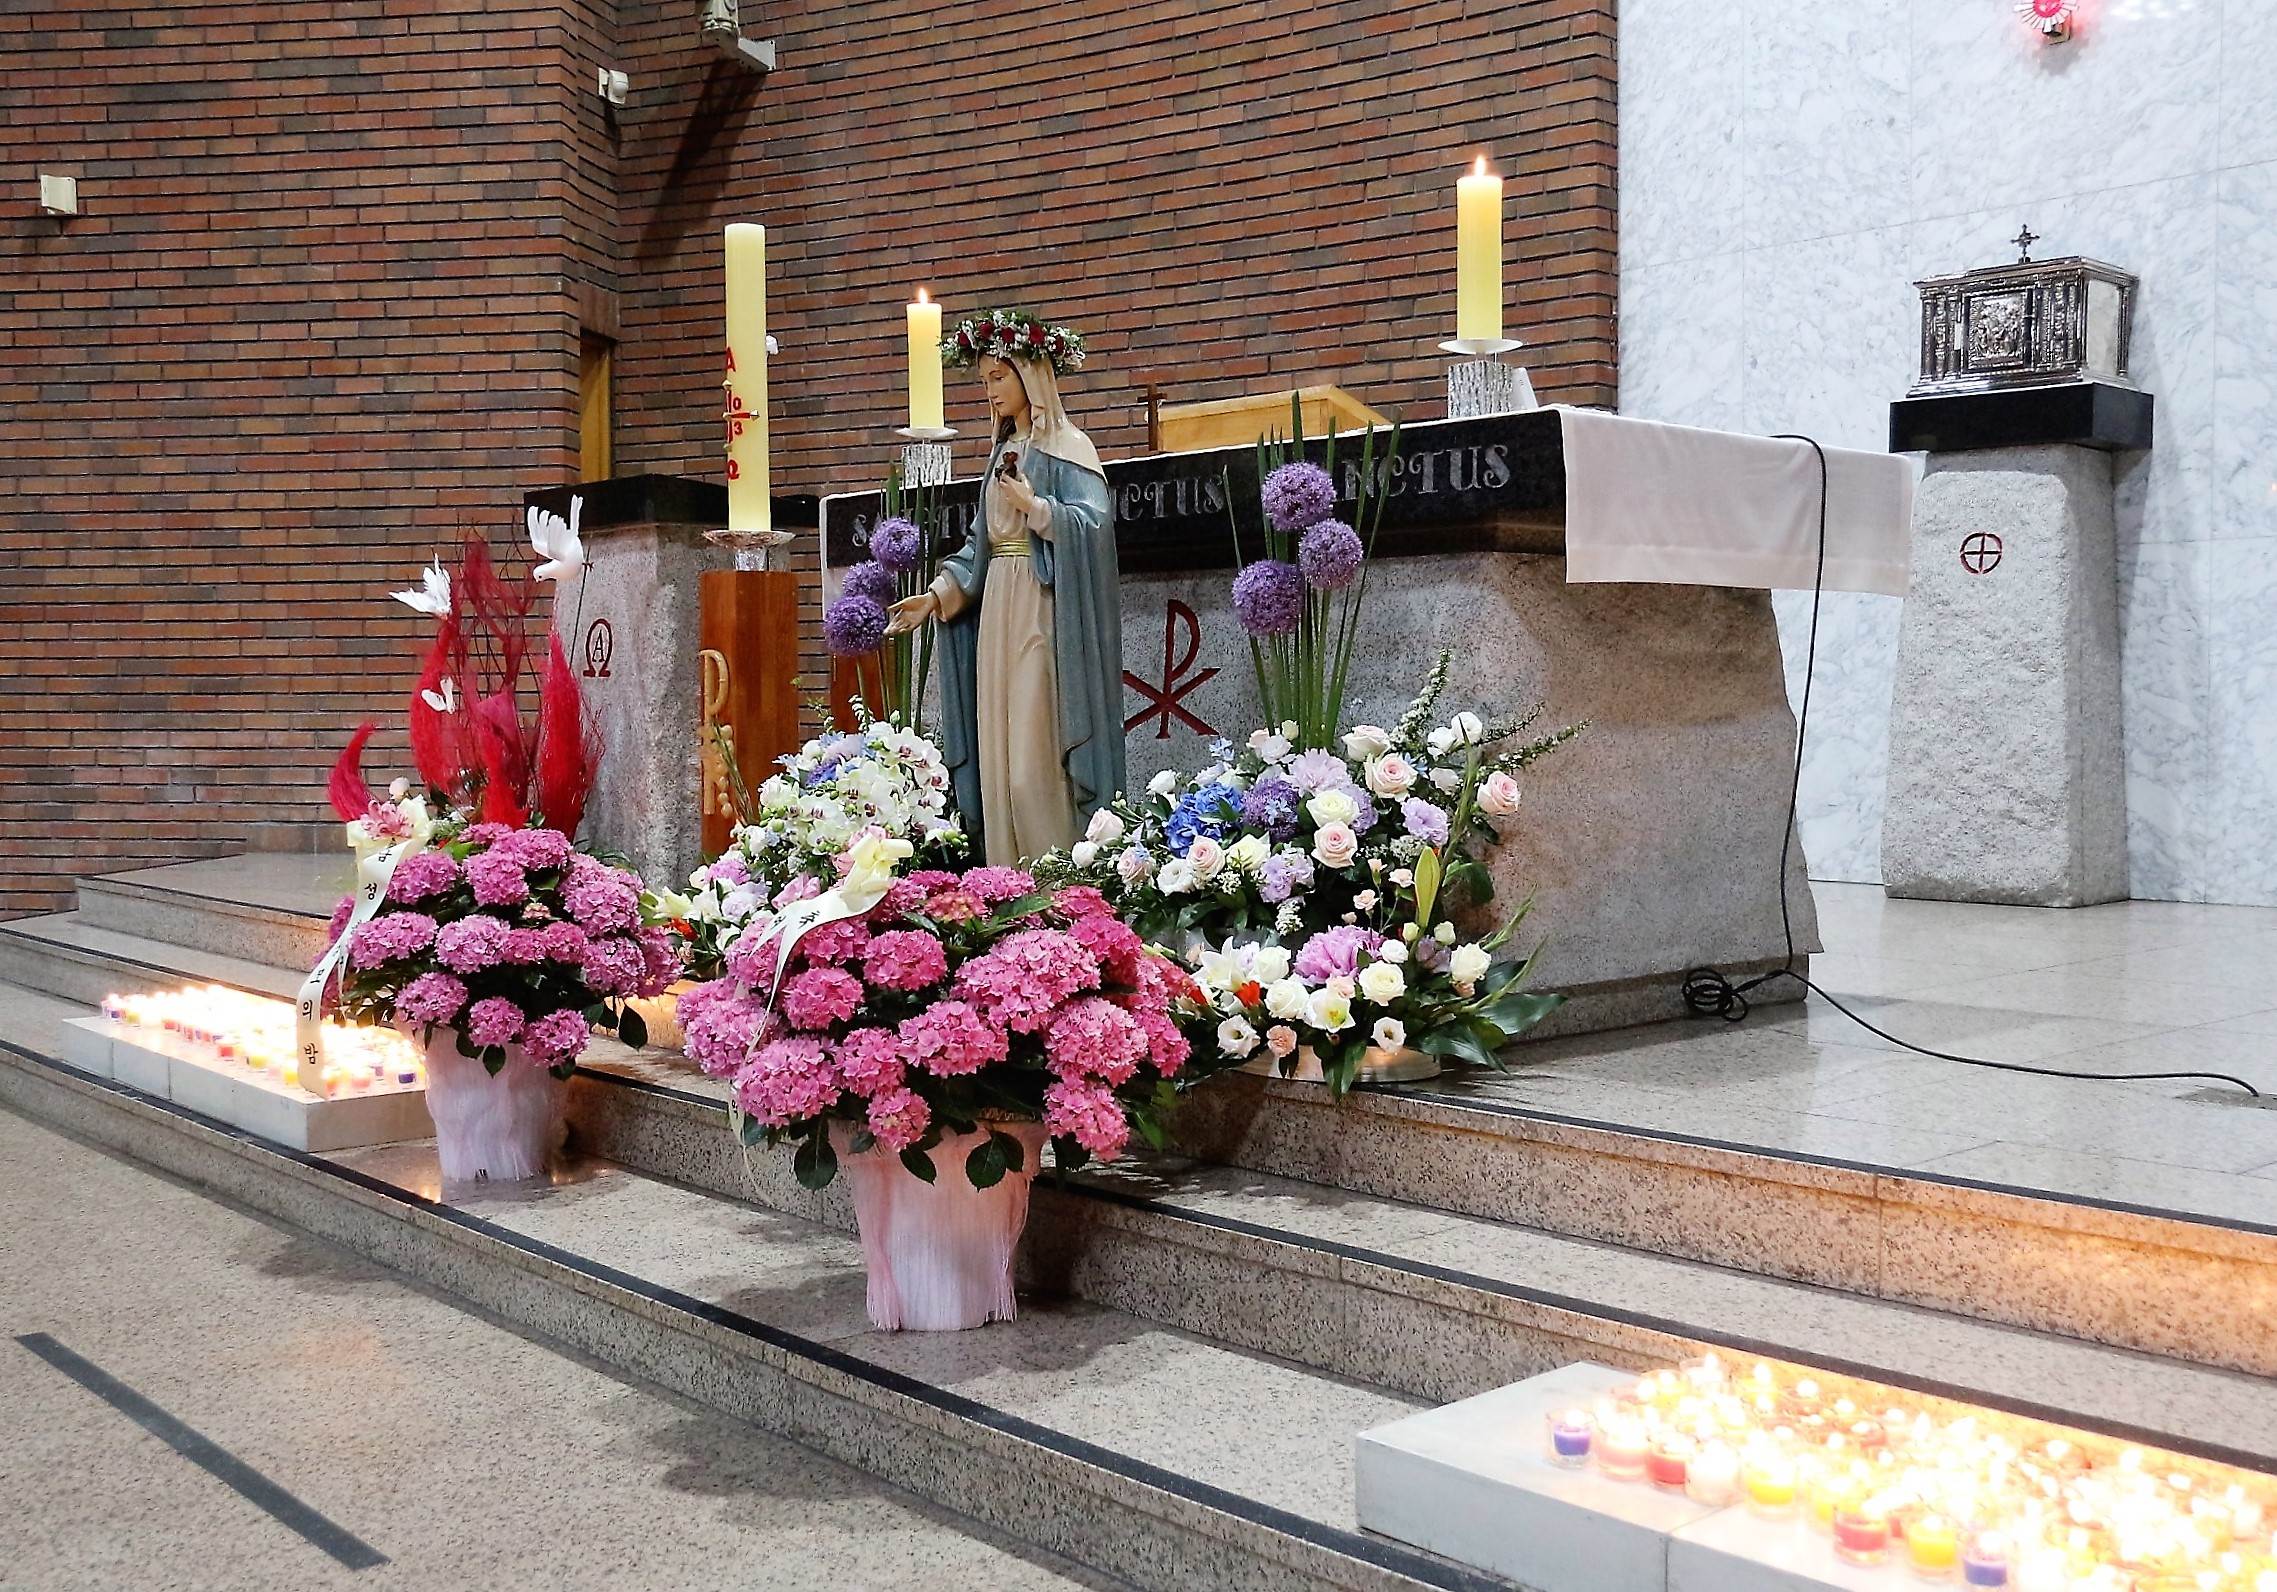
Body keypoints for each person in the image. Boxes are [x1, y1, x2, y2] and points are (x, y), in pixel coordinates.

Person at [886, 310, 1122, 866]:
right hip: (995, 604)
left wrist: (1038, 509)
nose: (990, 390)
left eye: (998, 377)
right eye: (984, 380)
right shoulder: (1003, 449)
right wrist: (937, 595)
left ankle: (1058, 884)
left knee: (1031, 764)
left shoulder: (1070, 446)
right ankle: (1006, 881)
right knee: (998, 759)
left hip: (1041, 607)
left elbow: (1094, 527)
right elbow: (981, 543)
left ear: (1031, 375)